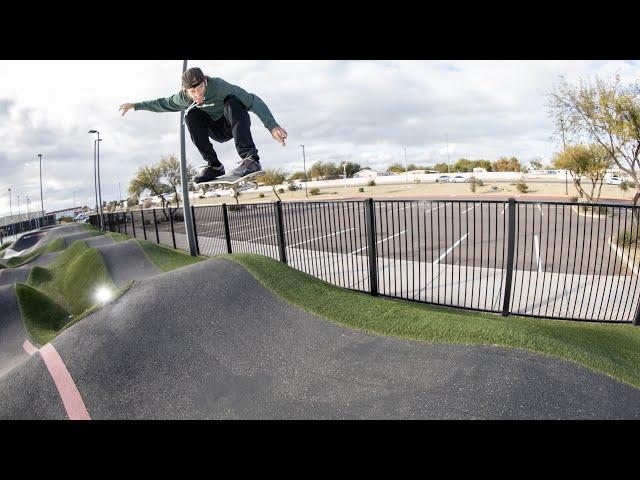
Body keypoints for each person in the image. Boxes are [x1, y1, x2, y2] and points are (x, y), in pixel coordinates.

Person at [119, 67, 287, 183]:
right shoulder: (182, 98)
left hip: (232, 122)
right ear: (185, 91)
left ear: (205, 80)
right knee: (190, 114)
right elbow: (162, 103)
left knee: (232, 102)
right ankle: (214, 165)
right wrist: (136, 105)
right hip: (214, 130)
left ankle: (250, 159)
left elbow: (253, 101)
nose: (198, 94)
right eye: (192, 92)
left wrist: (272, 126)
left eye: (200, 87)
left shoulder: (220, 86)